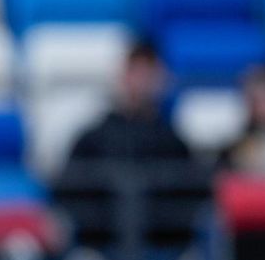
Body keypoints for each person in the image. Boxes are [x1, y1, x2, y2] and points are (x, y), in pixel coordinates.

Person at [57, 40, 190, 187]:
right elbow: (69, 193)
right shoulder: (92, 141)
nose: (141, 81)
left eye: (148, 73)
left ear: (161, 79)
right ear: (122, 75)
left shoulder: (172, 145)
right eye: (135, 71)